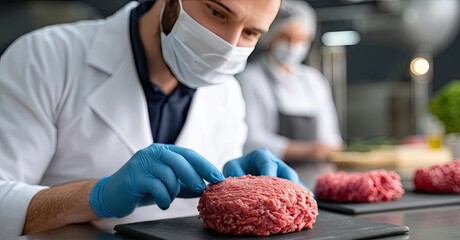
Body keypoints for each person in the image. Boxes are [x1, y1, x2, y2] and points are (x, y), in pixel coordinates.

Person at [0, 0, 293, 237]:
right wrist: (94, 198)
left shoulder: (227, 92)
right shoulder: (46, 56)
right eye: (216, 11)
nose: (227, 45)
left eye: (251, 32)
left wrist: (239, 186)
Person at [237, 0, 343, 164]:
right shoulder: (250, 79)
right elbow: (250, 140)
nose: (293, 45)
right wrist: (308, 151)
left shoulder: (314, 79)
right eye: (286, 38)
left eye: (301, 39)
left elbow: (329, 135)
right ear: (270, 37)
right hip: (269, 171)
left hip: (314, 171)